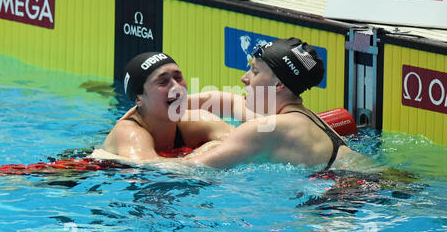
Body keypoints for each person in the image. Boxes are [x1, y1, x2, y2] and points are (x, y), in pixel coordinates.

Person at [115, 38, 356, 169]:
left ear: (278, 85)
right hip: (362, 186)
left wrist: (107, 158)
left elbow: (189, 170)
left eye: (254, 71)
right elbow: (229, 101)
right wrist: (147, 108)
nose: (244, 77)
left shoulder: (264, 130)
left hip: (343, 199)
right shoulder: (304, 117)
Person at [94, 52, 234, 161]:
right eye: (163, 82)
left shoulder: (196, 120)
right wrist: (207, 149)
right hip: (94, 172)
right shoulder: (129, 133)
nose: (176, 86)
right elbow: (152, 169)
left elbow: (244, 140)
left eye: (178, 77)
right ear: (139, 98)